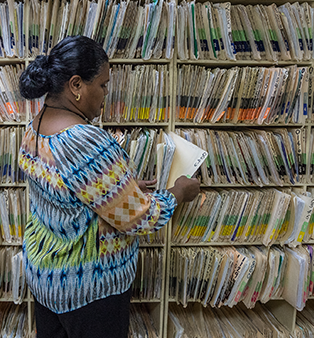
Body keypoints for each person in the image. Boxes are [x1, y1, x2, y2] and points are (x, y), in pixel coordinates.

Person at [17, 36, 200, 338]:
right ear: (76, 85)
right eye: (102, 85)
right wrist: (177, 193)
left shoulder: (35, 127)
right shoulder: (86, 142)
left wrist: (120, 189)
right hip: (88, 290)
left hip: (46, 276)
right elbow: (140, 218)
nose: (105, 94)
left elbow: (67, 193)